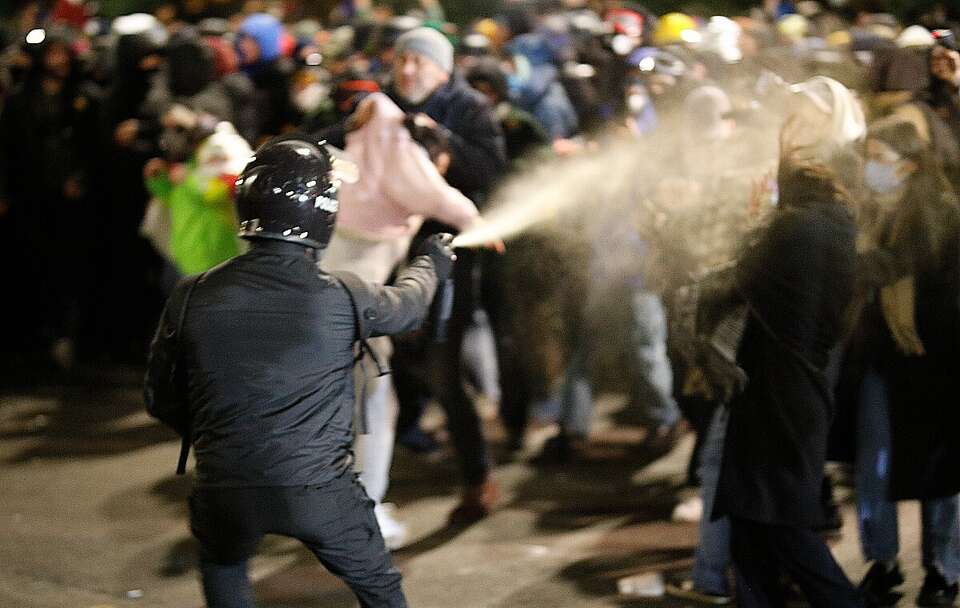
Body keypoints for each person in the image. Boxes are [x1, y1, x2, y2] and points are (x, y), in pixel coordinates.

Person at [144, 137, 456, 608]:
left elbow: (161, 397)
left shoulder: (193, 294)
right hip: (321, 491)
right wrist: (431, 260)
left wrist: (220, 439)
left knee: (224, 566)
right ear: (323, 213)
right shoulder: (344, 296)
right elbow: (410, 307)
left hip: (225, 483)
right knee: (380, 590)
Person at [320, 91, 484, 548]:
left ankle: (346, 504)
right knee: (373, 405)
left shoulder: (353, 155)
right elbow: (431, 192)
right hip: (358, 315)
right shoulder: (393, 148)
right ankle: (363, 512)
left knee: (345, 409)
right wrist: (474, 221)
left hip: (328, 307)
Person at [714, 145, 861, 607]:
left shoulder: (794, 228)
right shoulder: (838, 228)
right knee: (753, 516)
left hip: (777, 387)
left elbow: (740, 278)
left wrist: (754, 221)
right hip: (796, 386)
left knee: (779, 522)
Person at [384, 26, 507, 522]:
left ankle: (477, 476)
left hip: (450, 255)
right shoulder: (383, 105)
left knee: (442, 362)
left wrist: (445, 141)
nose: (409, 70)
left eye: (420, 61)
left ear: (443, 66)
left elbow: (492, 173)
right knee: (394, 358)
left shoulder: (470, 108)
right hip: (389, 251)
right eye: (402, 60)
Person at [847, 117, 960, 608]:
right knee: (874, 464)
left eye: (880, 159)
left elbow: (897, 266)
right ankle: (883, 560)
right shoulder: (871, 211)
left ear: (910, 166)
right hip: (881, 356)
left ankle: (942, 568)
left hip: (933, 359)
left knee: (939, 472)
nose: (871, 168)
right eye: (868, 157)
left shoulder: (941, 216)